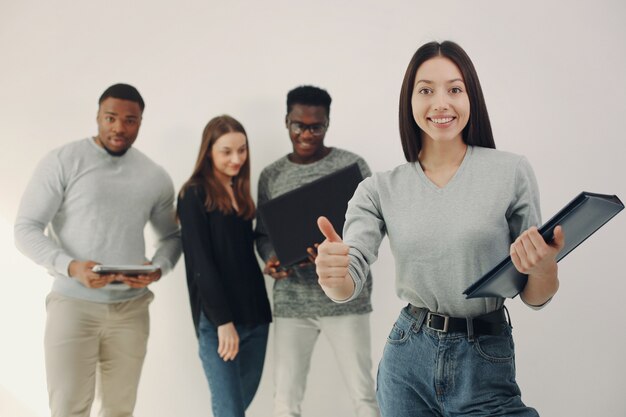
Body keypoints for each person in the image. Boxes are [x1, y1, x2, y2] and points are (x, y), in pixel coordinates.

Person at [315, 41, 566, 417]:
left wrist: (545, 267)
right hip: (407, 359)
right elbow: (348, 279)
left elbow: (534, 295)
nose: (441, 103)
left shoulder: (510, 172)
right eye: (426, 90)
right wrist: (333, 276)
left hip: (485, 358)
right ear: (409, 101)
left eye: (454, 89)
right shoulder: (379, 188)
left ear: (471, 98)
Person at [14, 83, 182, 417]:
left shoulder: (154, 176)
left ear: (141, 122)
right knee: (68, 408)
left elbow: (173, 237)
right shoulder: (63, 161)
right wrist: (71, 266)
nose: (120, 127)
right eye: (111, 118)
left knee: (120, 410)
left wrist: (158, 267)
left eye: (130, 120)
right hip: (73, 306)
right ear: (97, 117)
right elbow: (25, 227)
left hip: (131, 310)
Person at [255, 85, 380, 417]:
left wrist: (339, 252)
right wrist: (271, 258)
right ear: (287, 122)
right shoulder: (271, 175)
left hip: (346, 298)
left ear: (328, 123)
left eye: (316, 126)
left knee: (364, 396)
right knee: (285, 400)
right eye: (299, 125)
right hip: (293, 301)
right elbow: (263, 234)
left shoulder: (352, 166)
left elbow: (372, 229)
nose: (307, 134)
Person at [177, 115, 272, 417]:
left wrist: (269, 264)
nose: (237, 159)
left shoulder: (241, 194)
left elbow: (240, 256)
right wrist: (222, 322)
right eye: (226, 151)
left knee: (236, 408)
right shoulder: (193, 194)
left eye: (242, 150)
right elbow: (200, 263)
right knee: (230, 411)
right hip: (219, 320)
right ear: (209, 152)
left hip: (256, 315)